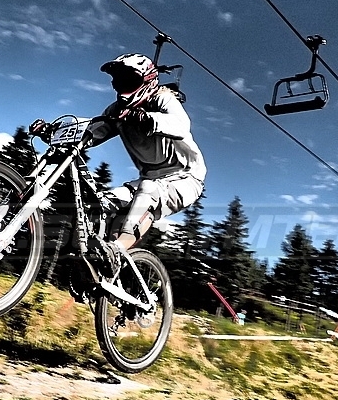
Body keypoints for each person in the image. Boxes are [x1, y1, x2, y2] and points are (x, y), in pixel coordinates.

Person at [30, 53, 206, 276]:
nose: (122, 86)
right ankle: (103, 264)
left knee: (149, 190)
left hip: (186, 177)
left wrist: (149, 119)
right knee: (102, 203)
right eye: (118, 81)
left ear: (147, 80)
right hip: (149, 179)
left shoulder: (163, 99)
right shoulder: (117, 111)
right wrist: (54, 133)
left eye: (129, 80)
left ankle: (117, 249)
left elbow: (181, 124)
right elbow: (92, 131)